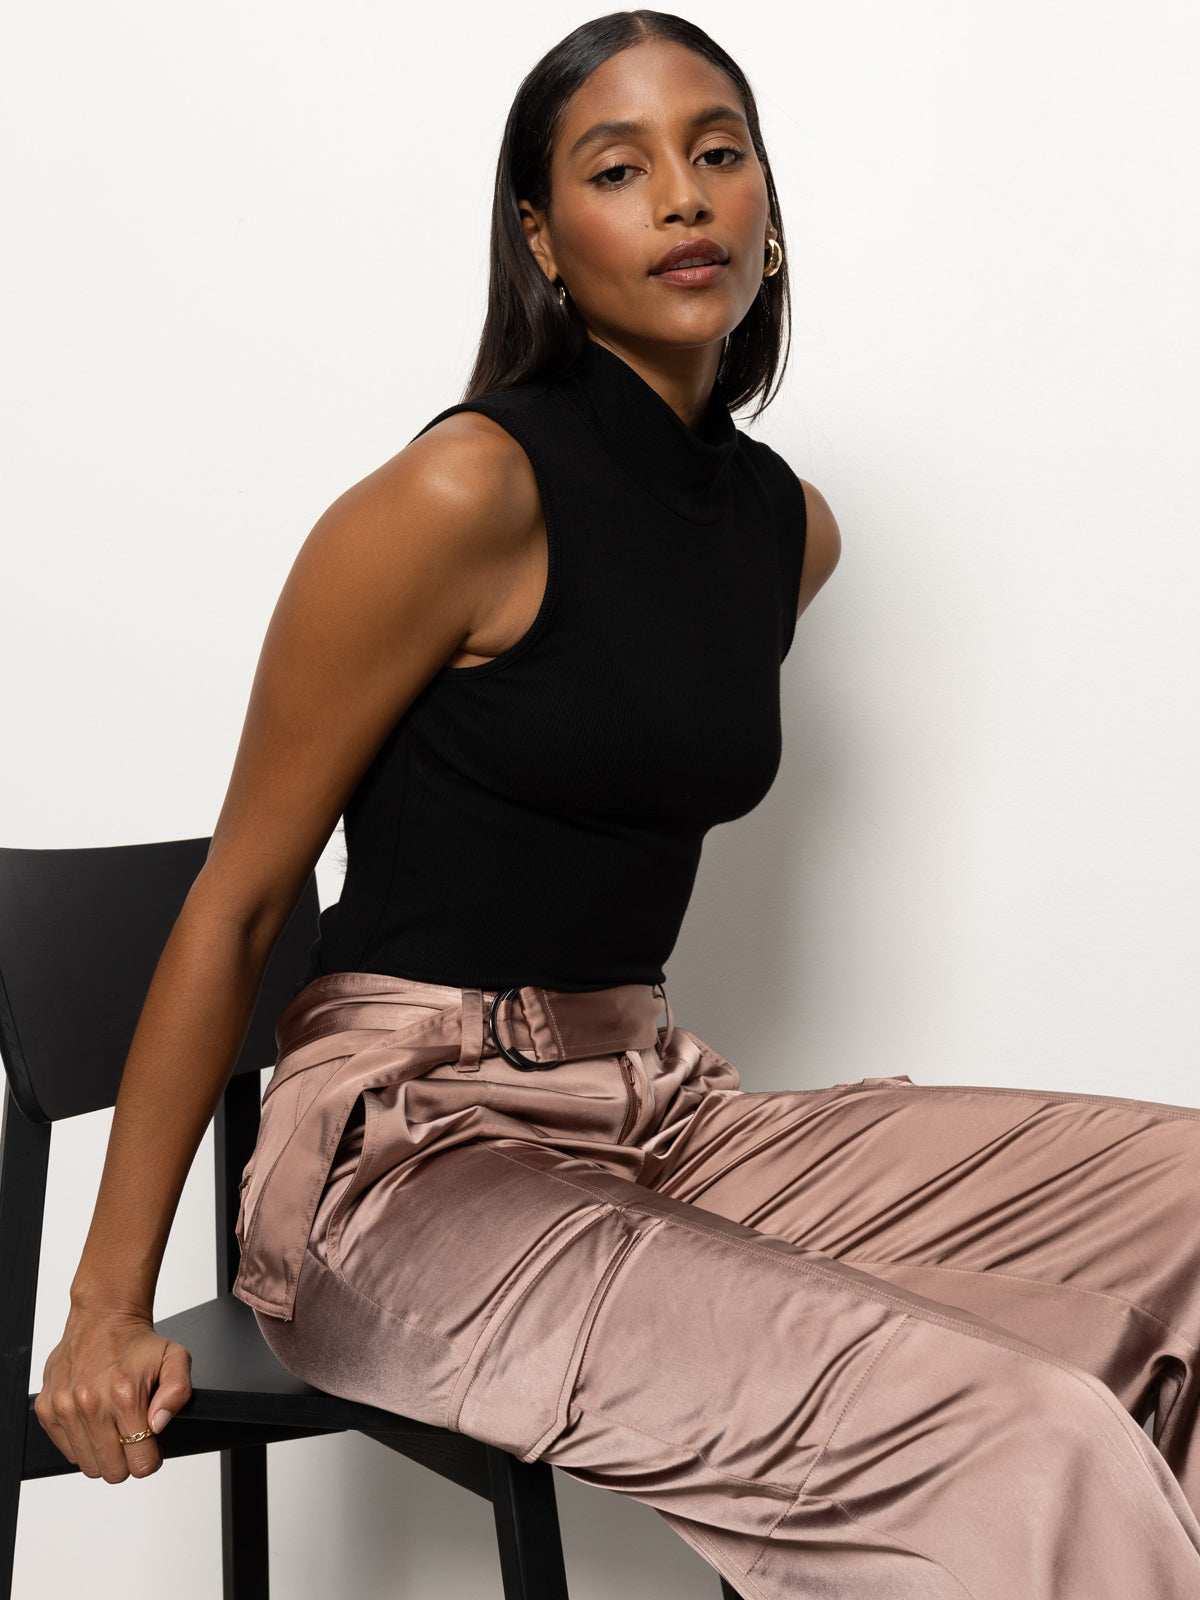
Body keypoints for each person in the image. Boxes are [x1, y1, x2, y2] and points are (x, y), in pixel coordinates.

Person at [34, 11, 1200, 1597]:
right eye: (617, 168)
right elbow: (240, 903)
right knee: (1022, 1425)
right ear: (541, 239)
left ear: (769, 207)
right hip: (404, 1162)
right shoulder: (463, 494)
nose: (683, 196)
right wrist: (103, 1307)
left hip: (658, 1111)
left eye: (718, 153)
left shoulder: (786, 533)